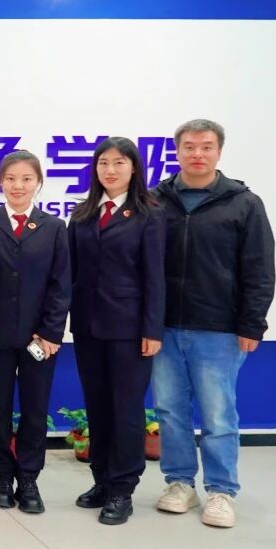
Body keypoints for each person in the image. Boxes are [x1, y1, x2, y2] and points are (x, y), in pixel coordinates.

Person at [151, 119, 275, 528]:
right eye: (189, 146)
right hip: (164, 327)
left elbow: (259, 269)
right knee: (169, 410)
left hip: (219, 328)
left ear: (219, 151)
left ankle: (221, 490)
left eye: (206, 146)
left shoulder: (244, 203)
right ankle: (180, 483)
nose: (197, 154)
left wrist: (252, 324)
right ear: (177, 151)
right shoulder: (156, 201)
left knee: (218, 415)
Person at [68, 137, 165, 526]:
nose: (110, 170)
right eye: (103, 163)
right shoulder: (83, 214)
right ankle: (102, 480)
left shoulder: (149, 214)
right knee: (98, 406)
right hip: (88, 326)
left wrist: (152, 328)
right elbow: (71, 272)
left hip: (129, 328)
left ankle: (122, 488)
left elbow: (155, 276)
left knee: (126, 409)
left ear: (134, 168)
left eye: (119, 163)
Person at [0, 150, 70, 514]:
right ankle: (1, 477)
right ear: (0, 183)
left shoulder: (54, 227)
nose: (18, 186)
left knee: (34, 409)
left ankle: (28, 479)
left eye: (26, 179)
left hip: (39, 338)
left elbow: (61, 285)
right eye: (10, 179)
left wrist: (51, 332)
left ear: (38, 183)